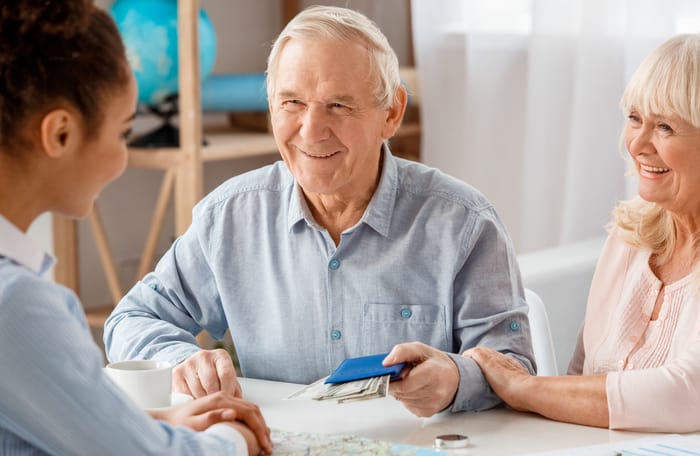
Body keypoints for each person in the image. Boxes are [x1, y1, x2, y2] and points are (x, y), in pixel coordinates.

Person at [104, 5, 534, 417]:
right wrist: (182, 360)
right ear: (272, 107)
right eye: (292, 103)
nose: (311, 131)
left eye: (339, 106)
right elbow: (131, 319)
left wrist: (457, 379)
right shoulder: (230, 217)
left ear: (392, 113)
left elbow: (515, 367)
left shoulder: (464, 224)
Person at [0, 2, 272, 456]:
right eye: (124, 131)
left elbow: (25, 421)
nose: (124, 157)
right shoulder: (18, 305)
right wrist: (237, 434)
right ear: (59, 134)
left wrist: (154, 424)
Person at [466, 32, 700, 442]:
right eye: (635, 119)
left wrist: (522, 387)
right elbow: (582, 378)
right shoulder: (631, 238)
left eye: (665, 127)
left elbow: (687, 396)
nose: (638, 144)